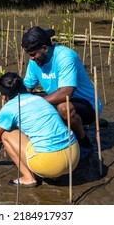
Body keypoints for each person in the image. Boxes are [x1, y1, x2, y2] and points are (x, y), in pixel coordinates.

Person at [0, 72, 79, 187]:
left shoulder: (8, 109)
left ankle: (28, 177)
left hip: (49, 163)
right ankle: (55, 175)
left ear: (4, 96)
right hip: (74, 156)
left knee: (5, 134)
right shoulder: (40, 99)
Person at [21, 26, 103, 158]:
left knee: (63, 107)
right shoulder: (35, 61)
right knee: (23, 100)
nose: (31, 58)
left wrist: (34, 103)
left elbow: (66, 93)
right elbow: (26, 88)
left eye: (33, 54)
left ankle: (84, 142)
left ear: (44, 48)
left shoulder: (65, 56)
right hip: (56, 100)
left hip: (86, 105)